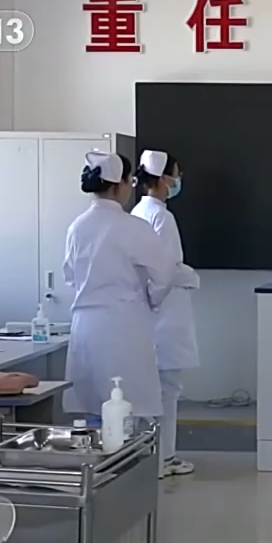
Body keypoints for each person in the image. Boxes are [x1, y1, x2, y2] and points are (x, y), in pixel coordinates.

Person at [63, 151, 175, 428]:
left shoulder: (77, 227)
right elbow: (164, 275)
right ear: (120, 184)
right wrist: (150, 301)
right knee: (128, 408)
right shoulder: (133, 227)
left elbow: (70, 276)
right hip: (124, 326)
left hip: (85, 327)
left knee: (92, 410)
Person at [131, 149, 199, 477]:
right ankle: (164, 458)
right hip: (165, 313)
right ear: (163, 179)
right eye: (176, 174)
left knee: (148, 390)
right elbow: (168, 269)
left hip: (145, 316)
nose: (178, 180)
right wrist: (191, 277)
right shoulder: (161, 216)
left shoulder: (137, 213)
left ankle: (148, 456)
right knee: (167, 391)